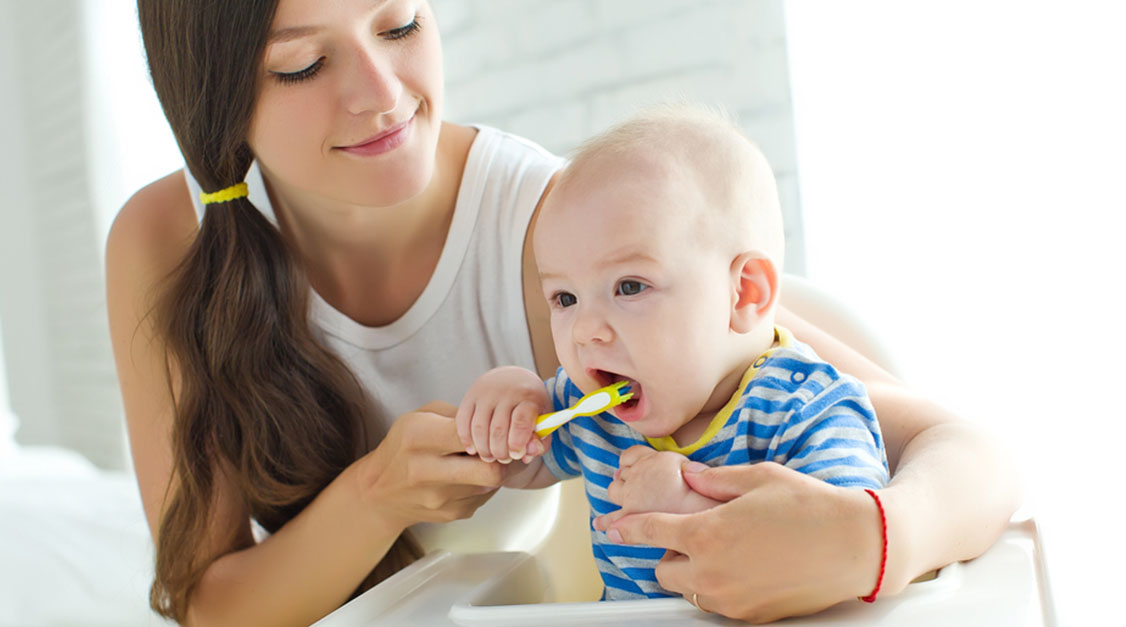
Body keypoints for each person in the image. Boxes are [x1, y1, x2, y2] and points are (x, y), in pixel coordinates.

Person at [105, 1, 1019, 625]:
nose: (382, 93)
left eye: (401, 24)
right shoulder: (164, 242)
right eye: (301, 64)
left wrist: (869, 538)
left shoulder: (564, 241)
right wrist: (378, 492)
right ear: (215, 99)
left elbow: (968, 454)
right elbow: (208, 604)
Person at [455, 105, 891, 602]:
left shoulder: (809, 410)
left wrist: (688, 508)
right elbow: (527, 461)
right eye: (565, 299)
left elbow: (840, 555)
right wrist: (509, 411)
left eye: (630, 286)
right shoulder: (591, 406)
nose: (585, 331)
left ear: (744, 294)